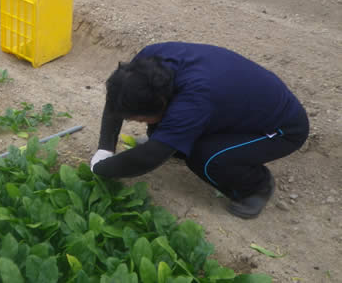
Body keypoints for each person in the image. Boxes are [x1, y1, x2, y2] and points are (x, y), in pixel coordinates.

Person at [90, 42, 309, 219]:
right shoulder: (145, 62)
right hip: (230, 107)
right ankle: (176, 145)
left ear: (162, 103)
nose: (136, 122)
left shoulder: (194, 99)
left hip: (281, 129)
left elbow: (149, 158)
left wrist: (101, 170)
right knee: (170, 133)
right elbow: (117, 100)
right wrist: (105, 149)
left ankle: (256, 186)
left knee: (204, 157)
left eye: (138, 119)